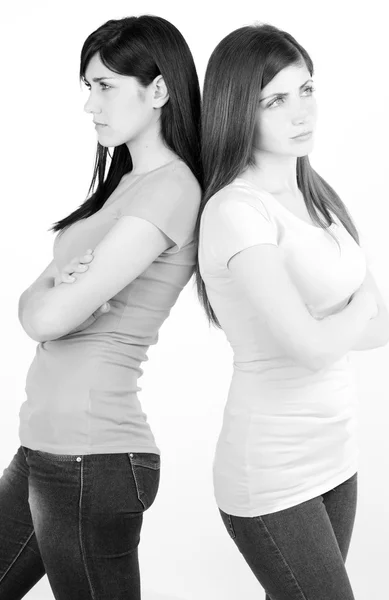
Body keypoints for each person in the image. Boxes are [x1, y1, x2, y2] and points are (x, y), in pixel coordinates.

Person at [0, 15, 201, 600]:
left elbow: (46, 318)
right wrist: (55, 297)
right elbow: (32, 304)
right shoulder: (122, 190)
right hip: (46, 450)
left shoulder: (172, 188)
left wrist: (56, 301)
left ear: (159, 91)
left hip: (93, 457)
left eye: (105, 86)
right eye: (87, 87)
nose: (91, 105)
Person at [197, 23, 389, 600]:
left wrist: (342, 322)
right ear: (238, 110)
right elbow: (311, 346)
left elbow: (383, 327)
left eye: (306, 90)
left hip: (337, 452)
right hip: (273, 470)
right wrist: (352, 314)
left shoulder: (317, 195)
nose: (301, 111)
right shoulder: (236, 211)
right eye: (275, 100)